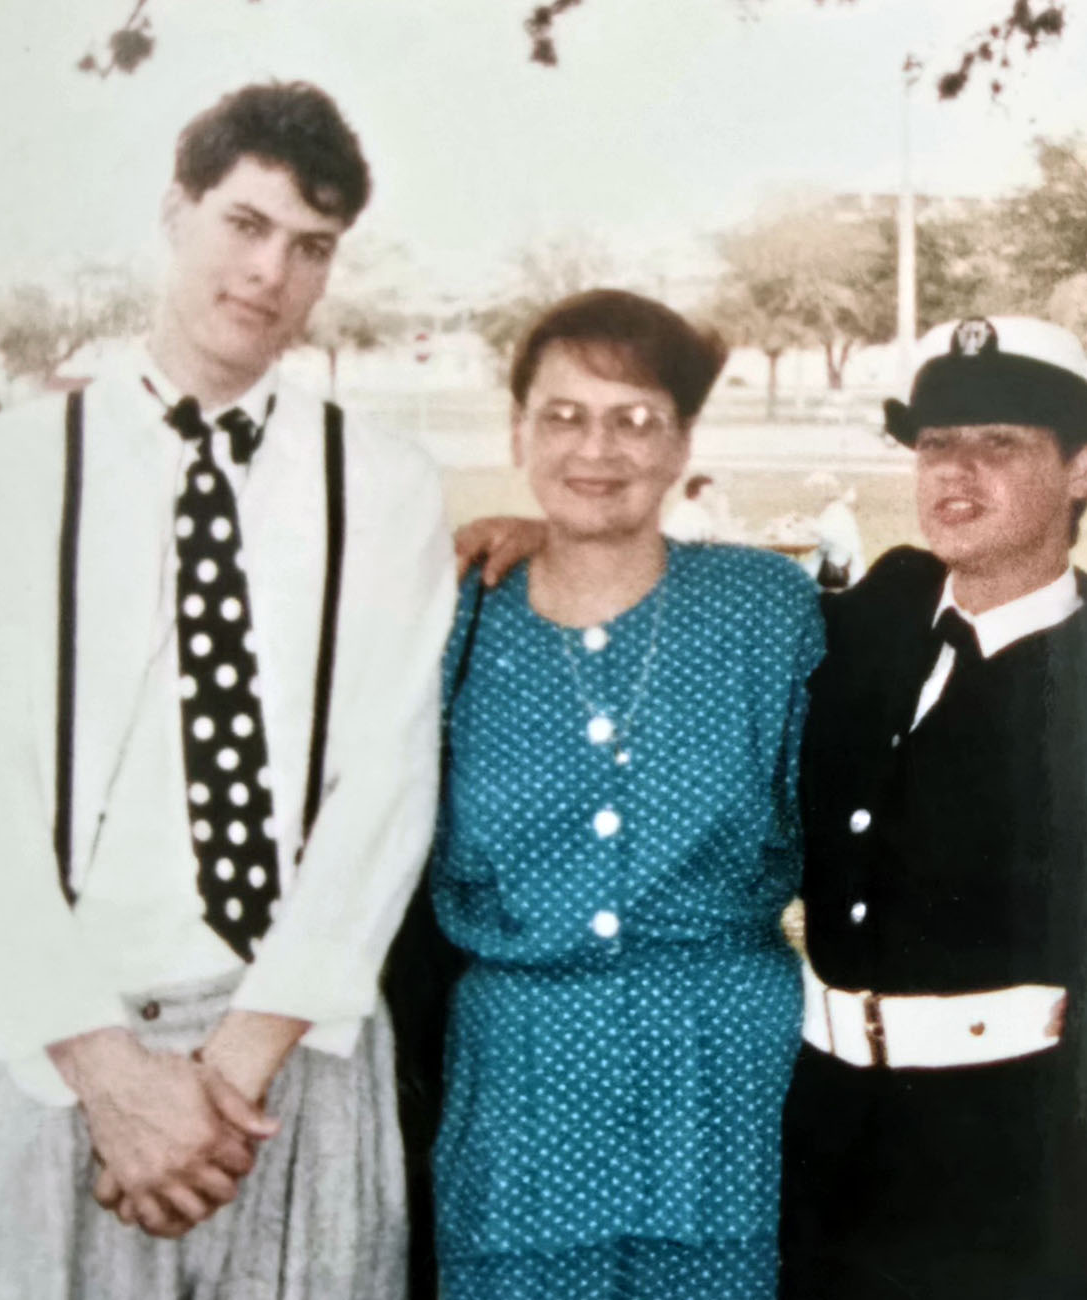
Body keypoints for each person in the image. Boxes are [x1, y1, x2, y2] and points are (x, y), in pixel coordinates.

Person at [0, 81, 452, 1298]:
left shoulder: (380, 483)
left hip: (293, 1054)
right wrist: (106, 1070)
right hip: (59, 1055)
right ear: (176, 214)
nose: (269, 272)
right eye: (245, 224)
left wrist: (233, 1070)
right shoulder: (11, 469)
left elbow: (384, 786)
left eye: (311, 247)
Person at [780, 316, 1087, 1298]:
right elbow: (706, 604)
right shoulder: (882, 617)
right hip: (827, 1143)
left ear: (1084, 468)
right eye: (936, 444)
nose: (954, 474)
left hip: (1011, 1180)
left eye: (1000, 445)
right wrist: (543, 534)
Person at [430, 290, 824, 1299]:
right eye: (563, 416)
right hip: (520, 1103)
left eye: (635, 418)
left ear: (684, 440)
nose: (595, 448)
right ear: (518, 431)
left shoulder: (766, 609)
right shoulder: (448, 618)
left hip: (726, 1090)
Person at [801, 471, 864, 589]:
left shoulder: (837, 512)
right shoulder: (834, 510)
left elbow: (827, 536)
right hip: (832, 563)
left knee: (802, 578)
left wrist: (807, 527)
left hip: (839, 569)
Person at [662, 472, 719, 542]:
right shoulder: (694, 511)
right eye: (710, 491)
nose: (714, 495)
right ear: (700, 492)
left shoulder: (682, 507)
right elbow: (709, 538)